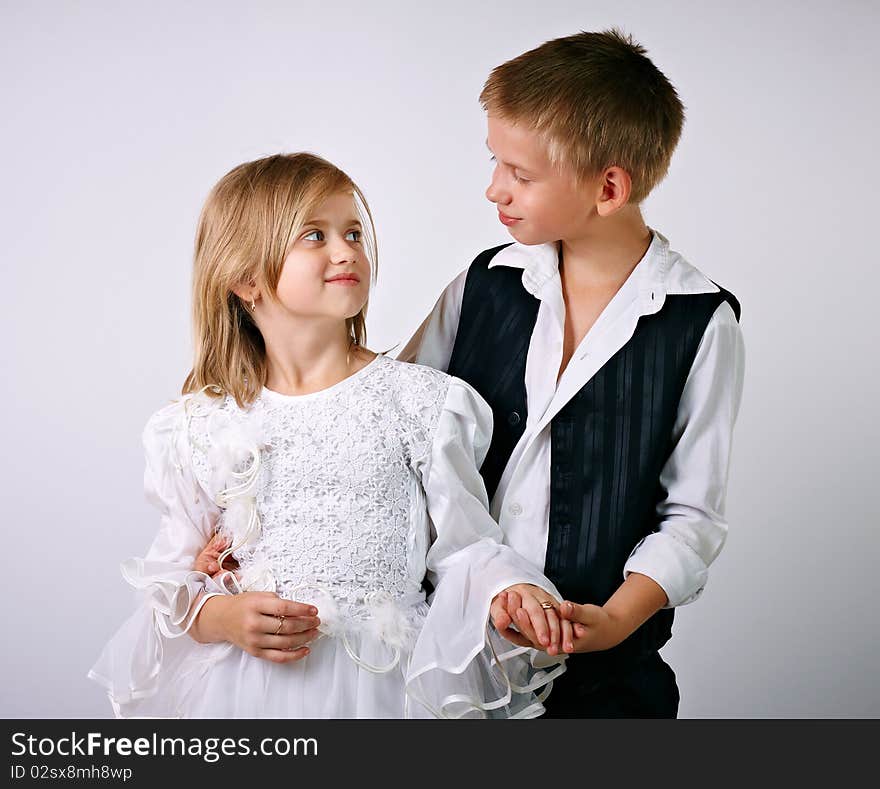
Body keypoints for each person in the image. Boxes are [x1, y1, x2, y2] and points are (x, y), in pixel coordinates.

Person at [87, 152, 567, 719]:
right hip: (246, 694)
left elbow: (465, 548)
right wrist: (223, 618)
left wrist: (507, 587)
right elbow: (173, 581)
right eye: (314, 235)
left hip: (385, 689)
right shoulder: (199, 424)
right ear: (244, 278)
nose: (346, 251)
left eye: (354, 233)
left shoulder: (420, 402)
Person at [398, 29, 746, 717]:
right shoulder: (483, 283)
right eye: (494, 161)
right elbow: (387, 424)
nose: (494, 187)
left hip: (608, 686)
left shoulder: (700, 322)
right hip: (448, 656)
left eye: (520, 173)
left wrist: (615, 619)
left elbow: (693, 516)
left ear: (608, 186)